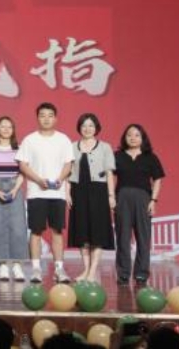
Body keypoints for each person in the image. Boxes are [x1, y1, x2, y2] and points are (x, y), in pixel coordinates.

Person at [16, 102, 74, 283]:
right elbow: (22, 164)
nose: (46, 119)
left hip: (57, 194)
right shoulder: (29, 140)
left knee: (57, 231)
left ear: (55, 118)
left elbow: (68, 164)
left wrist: (60, 179)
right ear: (37, 118)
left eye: (50, 115)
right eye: (42, 115)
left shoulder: (63, 139)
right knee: (36, 231)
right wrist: (38, 180)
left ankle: (59, 269)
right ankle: (35, 269)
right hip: (36, 193)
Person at [66, 113, 115, 283]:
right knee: (82, 233)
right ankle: (86, 269)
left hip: (99, 192)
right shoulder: (72, 146)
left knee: (97, 233)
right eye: (84, 125)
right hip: (78, 192)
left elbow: (109, 173)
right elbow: (68, 173)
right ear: (79, 128)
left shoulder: (105, 147)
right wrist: (67, 193)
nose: (87, 129)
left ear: (96, 128)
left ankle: (93, 271)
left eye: (91, 126)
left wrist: (111, 196)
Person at [113, 123, 164, 286]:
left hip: (143, 199)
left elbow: (158, 179)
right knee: (122, 237)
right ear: (124, 138)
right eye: (129, 135)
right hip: (122, 198)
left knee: (143, 237)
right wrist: (111, 197)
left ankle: (141, 273)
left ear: (143, 138)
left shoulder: (150, 157)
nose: (132, 138)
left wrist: (153, 200)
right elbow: (108, 176)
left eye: (136, 135)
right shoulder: (117, 156)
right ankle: (123, 274)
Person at [0, 116, 30, 282]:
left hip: (15, 187)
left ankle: (17, 266)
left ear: (13, 130)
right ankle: (2, 266)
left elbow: (23, 172)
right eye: (3, 126)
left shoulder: (20, 149)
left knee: (18, 228)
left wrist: (15, 189)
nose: (6, 130)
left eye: (9, 127)